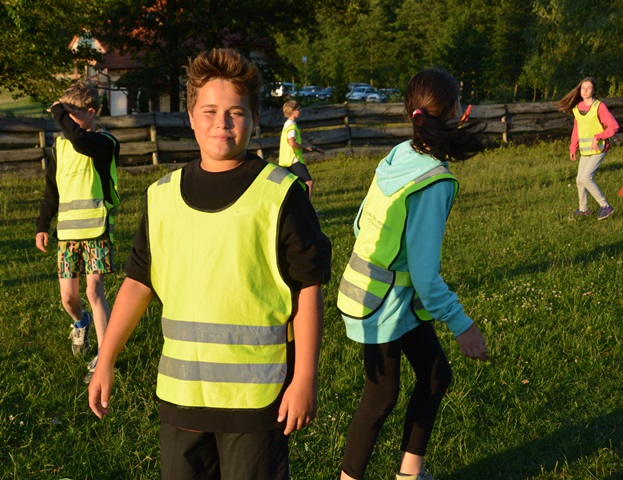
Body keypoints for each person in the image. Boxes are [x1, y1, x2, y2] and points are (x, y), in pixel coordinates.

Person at [88, 48, 332, 480]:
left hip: (256, 401)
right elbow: (138, 283)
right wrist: (106, 357)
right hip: (183, 396)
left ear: (254, 119)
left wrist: (305, 379)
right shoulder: (161, 196)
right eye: (210, 111)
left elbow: (308, 289)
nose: (222, 123)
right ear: (190, 117)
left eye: (236, 112)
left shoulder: (280, 194)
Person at [336, 68, 489, 480]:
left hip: (387, 297)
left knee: (436, 376)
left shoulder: (400, 154)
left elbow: (359, 223)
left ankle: (409, 474)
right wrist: (463, 325)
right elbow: (426, 277)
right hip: (380, 302)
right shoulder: (433, 181)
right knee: (380, 396)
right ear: (454, 110)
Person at [35, 81, 120, 384]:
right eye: (65, 114)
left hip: (97, 229)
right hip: (67, 234)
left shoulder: (104, 142)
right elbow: (52, 190)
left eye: (73, 114)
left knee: (93, 291)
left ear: (91, 112)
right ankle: (81, 323)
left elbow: (79, 139)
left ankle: (104, 358)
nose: (66, 120)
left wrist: (58, 110)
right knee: (69, 299)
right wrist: (42, 225)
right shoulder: (60, 147)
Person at [557, 76, 619, 219]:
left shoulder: (599, 107)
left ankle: (606, 206)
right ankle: (583, 209)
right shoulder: (577, 109)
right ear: (580, 90)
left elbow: (614, 126)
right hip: (585, 150)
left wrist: (599, 136)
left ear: (593, 90)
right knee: (579, 180)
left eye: (589, 88)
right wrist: (573, 147)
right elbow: (576, 129)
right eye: (583, 88)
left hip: (599, 148)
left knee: (586, 178)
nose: (585, 91)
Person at [278, 99, 324, 200]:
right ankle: (307, 208)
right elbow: (292, 142)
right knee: (308, 183)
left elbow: (299, 139)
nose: (300, 111)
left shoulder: (288, 123)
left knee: (295, 186)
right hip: (293, 160)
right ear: (292, 111)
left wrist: (314, 148)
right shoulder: (292, 126)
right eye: (298, 109)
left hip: (286, 160)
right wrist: (304, 147)